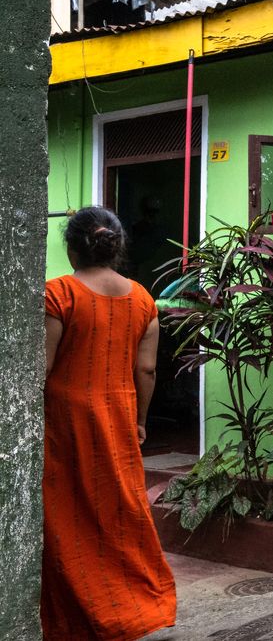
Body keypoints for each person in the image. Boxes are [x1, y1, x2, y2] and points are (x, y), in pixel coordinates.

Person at [42, 207, 176, 638]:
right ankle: (136, 605)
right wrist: (140, 421)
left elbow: (41, 369)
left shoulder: (57, 294)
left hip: (63, 422)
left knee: (66, 514)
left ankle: (77, 613)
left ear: (72, 249)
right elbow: (146, 370)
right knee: (121, 510)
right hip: (118, 418)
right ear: (115, 248)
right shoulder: (143, 299)